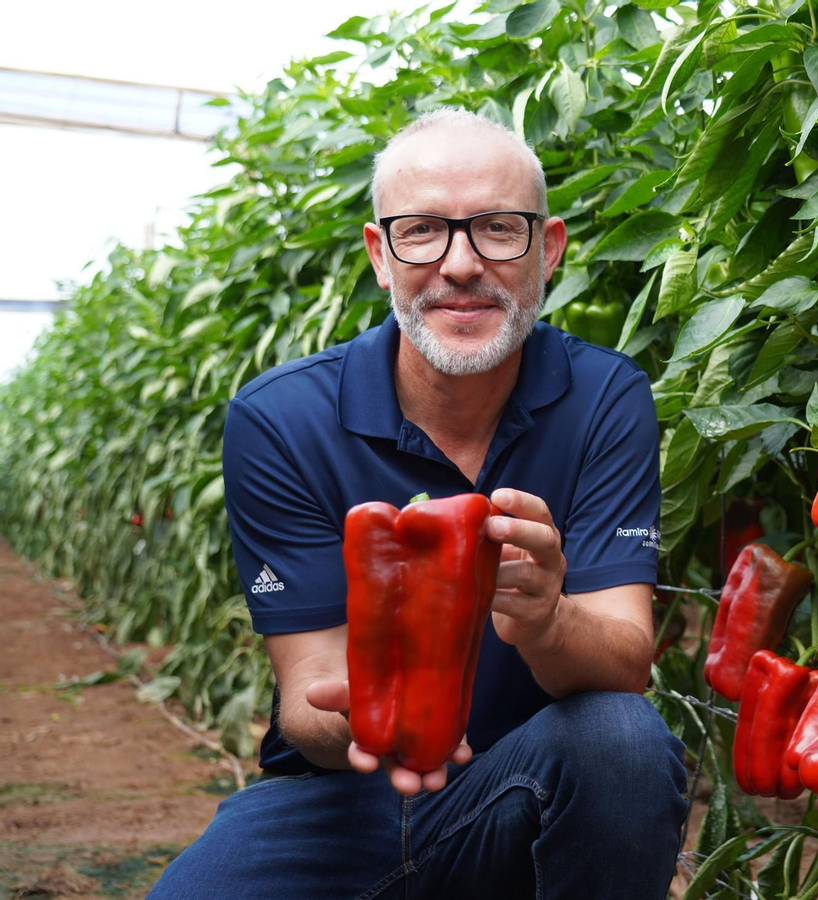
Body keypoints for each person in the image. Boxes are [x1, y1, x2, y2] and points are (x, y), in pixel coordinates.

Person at [149, 108, 689, 898]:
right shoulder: (282, 418)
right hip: (336, 803)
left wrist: (547, 619)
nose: (461, 264)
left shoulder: (605, 397)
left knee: (622, 739)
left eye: (500, 229)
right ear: (379, 254)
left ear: (550, 249)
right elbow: (308, 696)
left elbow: (626, 657)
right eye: (422, 231)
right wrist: (365, 717)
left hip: (523, 783)